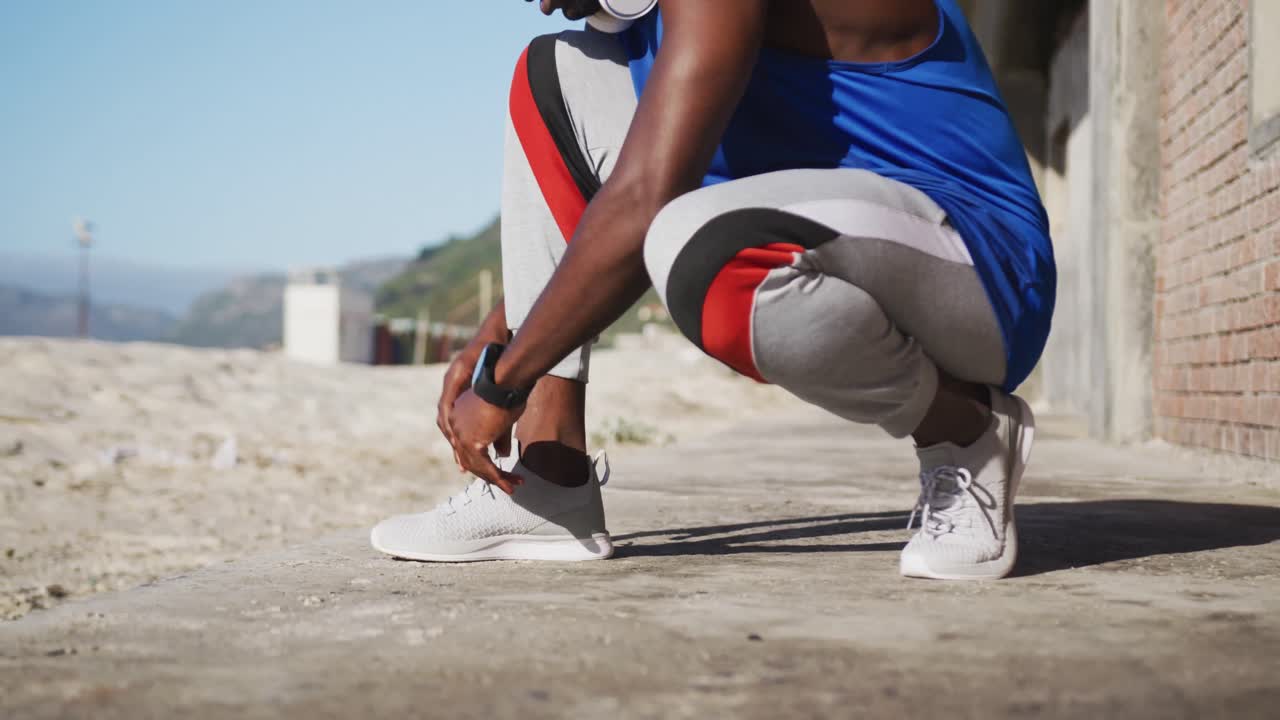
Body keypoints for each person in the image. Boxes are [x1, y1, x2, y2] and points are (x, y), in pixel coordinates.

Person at [371, 0, 1055, 580]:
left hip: (977, 267)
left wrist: (503, 383)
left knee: (697, 248)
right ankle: (547, 481)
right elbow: (620, 205)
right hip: (841, 223)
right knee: (554, 75)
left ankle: (965, 433)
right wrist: (510, 330)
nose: (543, 2)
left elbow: (645, 200)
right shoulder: (664, 29)